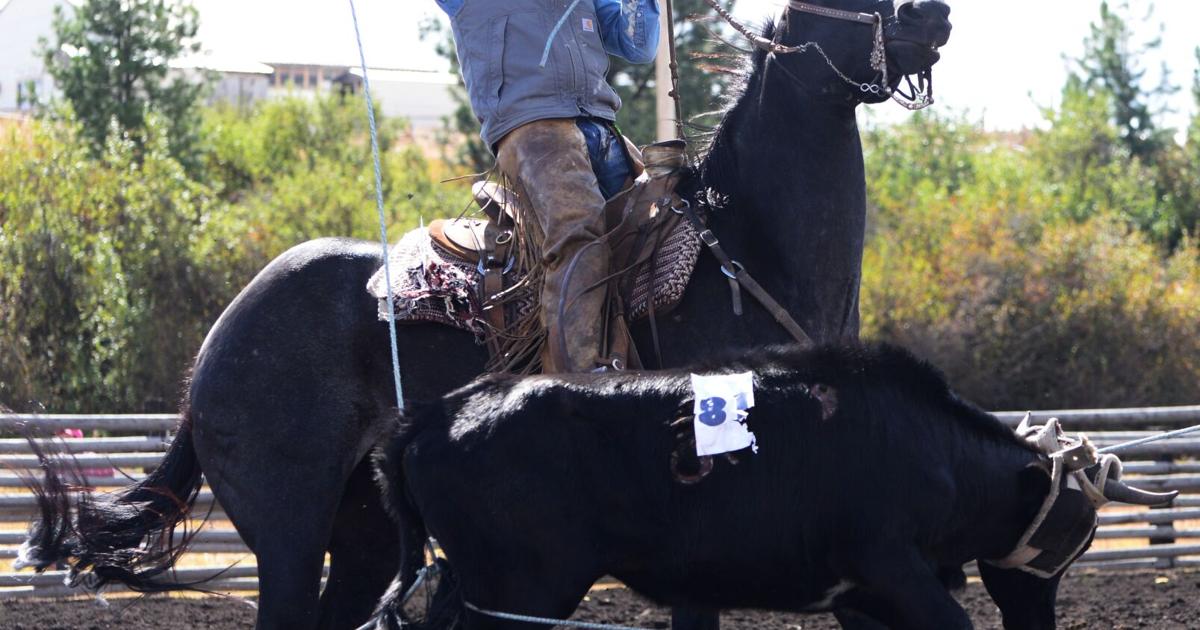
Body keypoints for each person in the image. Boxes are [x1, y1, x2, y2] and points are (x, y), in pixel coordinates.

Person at [434, 0, 661, 373]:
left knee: (663, 220)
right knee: (578, 234)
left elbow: (637, 45)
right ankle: (577, 382)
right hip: (533, 127)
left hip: (600, 125)